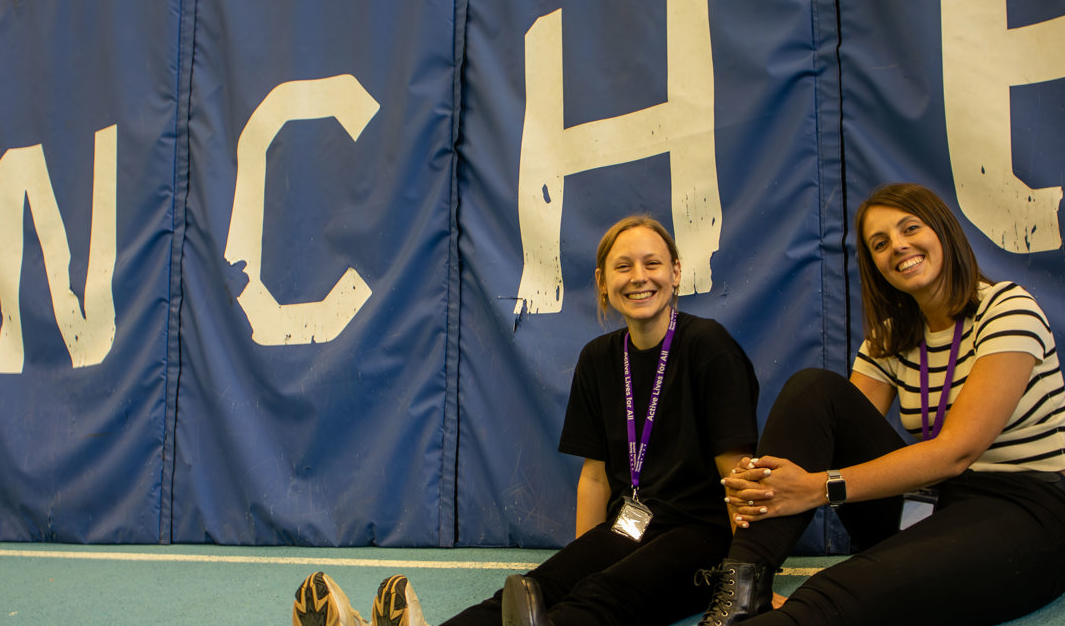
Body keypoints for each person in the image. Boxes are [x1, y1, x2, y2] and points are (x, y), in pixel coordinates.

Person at [293, 215, 761, 626]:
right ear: (602, 281)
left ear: (675, 272)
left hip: (702, 539)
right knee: (534, 588)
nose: (639, 277)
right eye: (623, 266)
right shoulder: (599, 359)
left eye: (652, 263)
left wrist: (747, 580)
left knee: (603, 595)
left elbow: (739, 477)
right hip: (627, 526)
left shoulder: (708, 347)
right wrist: (587, 557)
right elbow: (595, 477)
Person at [697, 183, 1065, 626]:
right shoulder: (889, 338)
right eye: (880, 244)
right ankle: (742, 589)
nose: (897, 246)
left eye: (910, 228)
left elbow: (958, 451)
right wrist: (761, 490)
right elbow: (829, 428)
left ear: (943, 231)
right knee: (812, 389)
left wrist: (817, 488)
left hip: (1029, 512)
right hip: (939, 503)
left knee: (832, 596)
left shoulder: (1007, 308)